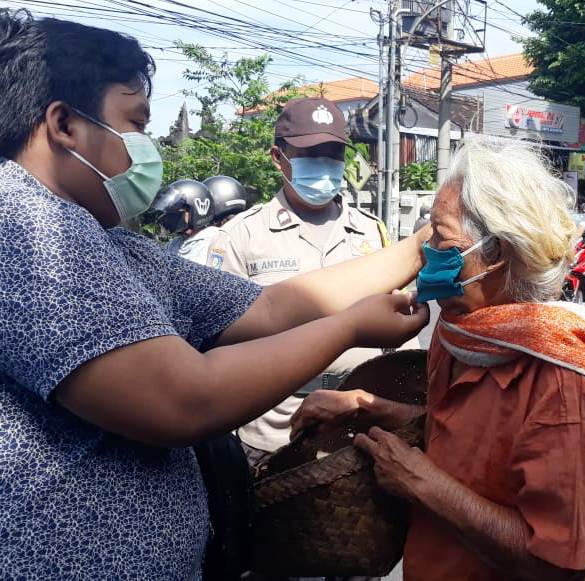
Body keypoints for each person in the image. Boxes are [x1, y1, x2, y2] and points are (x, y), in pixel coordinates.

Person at [0, 10, 430, 577]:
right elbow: (183, 399)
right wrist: (349, 328)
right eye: (133, 123)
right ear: (64, 125)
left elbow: (270, 306)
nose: (143, 147)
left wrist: (423, 244)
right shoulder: (22, 222)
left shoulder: (107, 242)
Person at [291, 136, 585, 581]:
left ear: (497, 253)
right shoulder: (462, 335)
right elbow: (465, 436)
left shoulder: (559, 379)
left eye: (442, 245)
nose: (426, 262)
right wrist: (366, 407)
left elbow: (558, 564)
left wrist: (422, 485)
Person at [207, 97, 411, 462]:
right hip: (274, 429)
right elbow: (222, 341)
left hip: (357, 422)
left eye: (333, 154)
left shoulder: (372, 233)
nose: (324, 164)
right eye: (310, 153)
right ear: (277, 156)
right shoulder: (242, 237)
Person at [153, 178, 216, 264]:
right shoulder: (173, 244)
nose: (171, 217)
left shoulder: (214, 241)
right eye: (170, 212)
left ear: (197, 210)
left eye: (176, 211)